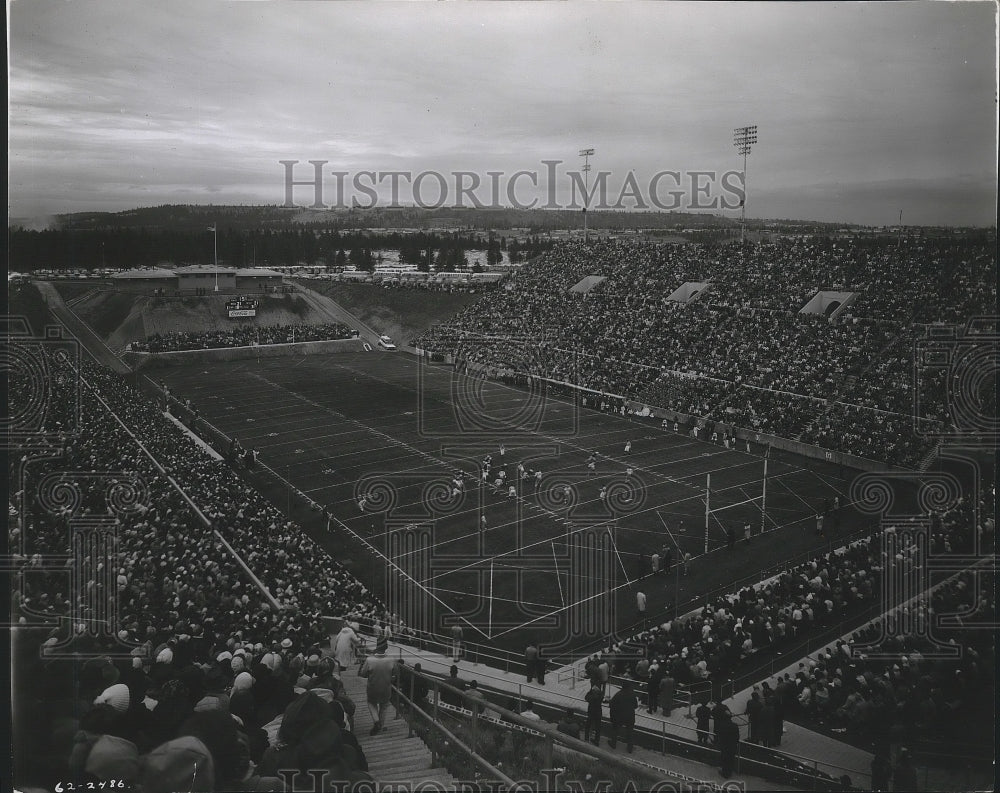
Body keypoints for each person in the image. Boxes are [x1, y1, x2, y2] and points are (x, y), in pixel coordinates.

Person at [359, 638, 395, 735]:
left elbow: (362, 674)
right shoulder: (391, 659)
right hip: (386, 688)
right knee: (384, 706)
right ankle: (380, 726)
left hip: (372, 689)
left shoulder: (369, 659)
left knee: (371, 703)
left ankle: (376, 721)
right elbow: (395, 673)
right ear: (386, 647)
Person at [608, 681, 638, 753]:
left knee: (615, 730)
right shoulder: (632, 694)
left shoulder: (618, 694)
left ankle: (613, 744)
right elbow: (636, 706)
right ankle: (630, 748)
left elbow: (611, 705)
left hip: (619, 716)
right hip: (630, 716)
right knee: (630, 732)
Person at [716, 710, 740, 779]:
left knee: (724, 758)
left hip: (724, 745)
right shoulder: (735, 726)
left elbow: (719, 735)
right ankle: (729, 772)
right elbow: (737, 737)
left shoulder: (721, 725)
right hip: (732, 745)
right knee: (731, 759)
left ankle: (725, 773)